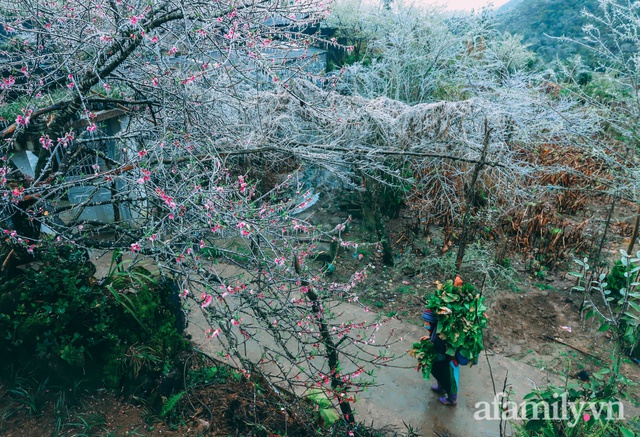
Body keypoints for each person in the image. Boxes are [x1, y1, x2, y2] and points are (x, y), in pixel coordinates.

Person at [422, 309, 459, 406]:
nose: (425, 324)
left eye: (426, 322)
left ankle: (452, 399)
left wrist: (429, 357)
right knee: (440, 375)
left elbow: (441, 352)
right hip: (441, 361)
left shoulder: (439, 337)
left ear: (432, 322)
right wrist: (429, 339)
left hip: (445, 361)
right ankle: (441, 387)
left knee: (449, 380)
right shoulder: (435, 330)